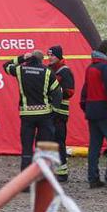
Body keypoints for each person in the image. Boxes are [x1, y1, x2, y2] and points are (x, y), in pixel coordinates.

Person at [4, 49, 59, 170]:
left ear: (29, 59)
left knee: (27, 148)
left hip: (27, 115)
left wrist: (22, 57)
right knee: (44, 146)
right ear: (41, 60)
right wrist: (54, 110)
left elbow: (6, 66)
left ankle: (25, 179)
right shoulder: (48, 72)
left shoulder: (20, 70)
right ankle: (42, 176)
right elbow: (57, 92)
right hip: (45, 114)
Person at [79, 38, 107, 188]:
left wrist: (86, 107)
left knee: (94, 146)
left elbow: (84, 91)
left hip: (92, 111)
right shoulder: (106, 68)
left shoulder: (91, 67)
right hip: (106, 111)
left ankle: (93, 178)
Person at [45, 45, 75, 183]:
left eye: (52, 55)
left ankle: (62, 172)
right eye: (48, 55)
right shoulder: (48, 70)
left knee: (59, 141)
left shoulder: (64, 71)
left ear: (59, 56)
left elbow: (70, 91)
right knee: (49, 141)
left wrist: (55, 92)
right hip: (49, 111)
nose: (50, 57)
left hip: (60, 113)